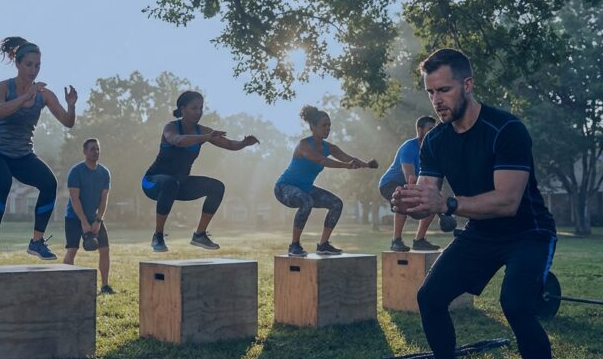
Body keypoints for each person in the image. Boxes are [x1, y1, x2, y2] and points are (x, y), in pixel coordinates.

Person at [392, 48, 563, 359]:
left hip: (528, 232)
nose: (437, 100)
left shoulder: (507, 130)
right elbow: (427, 199)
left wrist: (447, 203)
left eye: (445, 90)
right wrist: (409, 203)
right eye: (430, 92)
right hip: (481, 233)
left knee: (516, 305)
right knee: (430, 296)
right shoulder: (434, 140)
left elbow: (507, 201)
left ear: (468, 85)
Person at [0, 37, 77, 261]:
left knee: (49, 183)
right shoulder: (2, 87)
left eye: (37, 65)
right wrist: (25, 97)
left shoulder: (44, 95)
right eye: (29, 64)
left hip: (21, 154)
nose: (34, 70)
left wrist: (71, 105)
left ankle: (36, 242)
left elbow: (67, 122)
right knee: (3, 182)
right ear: (18, 64)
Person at [142, 90, 259, 252]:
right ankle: (158, 235)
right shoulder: (171, 127)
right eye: (193, 108)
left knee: (217, 187)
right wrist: (207, 137)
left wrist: (244, 143)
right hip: (152, 183)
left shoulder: (202, 131)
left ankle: (199, 235)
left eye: (201, 108)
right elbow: (178, 141)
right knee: (170, 183)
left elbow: (231, 145)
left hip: (179, 185)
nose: (198, 112)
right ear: (182, 109)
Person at [274, 105, 377, 257]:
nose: (327, 128)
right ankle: (294, 245)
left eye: (329, 125)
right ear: (313, 127)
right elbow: (322, 161)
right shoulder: (304, 145)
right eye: (324, 125)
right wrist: (346, 166)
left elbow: (348, 158)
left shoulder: (330, 147)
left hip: (306, 188)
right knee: (306, 201)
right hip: (284, 187)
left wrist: (367, 164)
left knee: (336, 203)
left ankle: (323, 245)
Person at [378, 115, 440, 252]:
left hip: (412, 184)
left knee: (434, 198)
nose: (433, 132)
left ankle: (419, 240)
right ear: (419, 130)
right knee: (402, 196)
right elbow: (410, 177)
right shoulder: (409, 147)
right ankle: (396, 241)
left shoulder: (431, 150)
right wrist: (419, 191)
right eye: (430, 129)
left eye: (434, 129)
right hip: (390, 183)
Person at [64, 138, 113, 294]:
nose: (96, 152)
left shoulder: (104, 173)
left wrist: (98, 220)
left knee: (105, 250)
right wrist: (84, 222)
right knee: (72, 250)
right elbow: (74, 198)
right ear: (85, 152)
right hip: (74, 217)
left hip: (94, 217)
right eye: (92, 149)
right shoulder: (76, 171)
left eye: (98, 149)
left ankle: (105, 286)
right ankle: (66, 286)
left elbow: (104, 198)